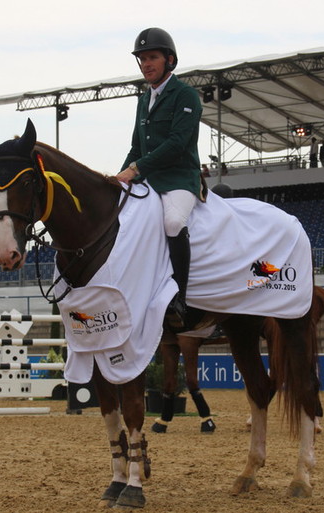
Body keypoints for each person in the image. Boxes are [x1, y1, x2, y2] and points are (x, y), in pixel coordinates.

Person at [117, 27, 203, 331]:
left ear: (169, 60)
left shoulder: (186, 95)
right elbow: (136, 147)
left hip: (180, 178)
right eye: (141, 59)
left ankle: (181, 296)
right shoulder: (143, 100)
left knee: (172, 223)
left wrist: (136, 169)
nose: (146, 64)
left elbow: (178, 143)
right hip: (149, 178)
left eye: (152, 57)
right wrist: (119, 177)